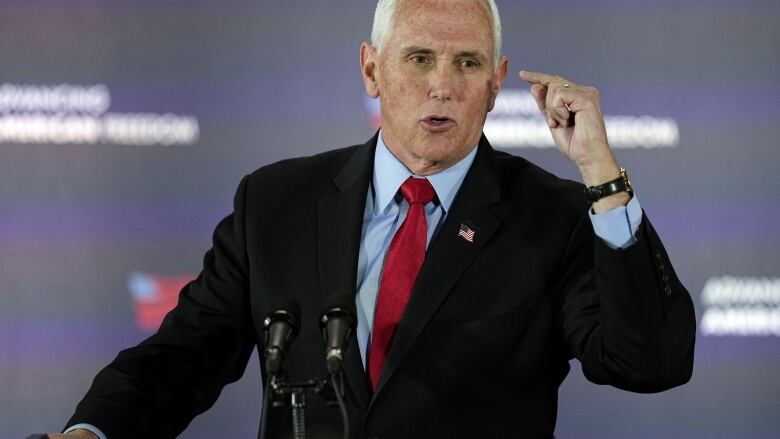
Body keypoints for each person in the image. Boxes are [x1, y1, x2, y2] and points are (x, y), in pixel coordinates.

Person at [49, 0, 695, 437]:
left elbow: (651, 360)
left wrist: (602, 175)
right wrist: (92, 428)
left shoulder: (552, 216)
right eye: (419, 59)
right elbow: (182, 356)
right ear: (371, 69)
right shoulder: (276, 204)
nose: (443, 86)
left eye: (467, 63)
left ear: (496, 84)